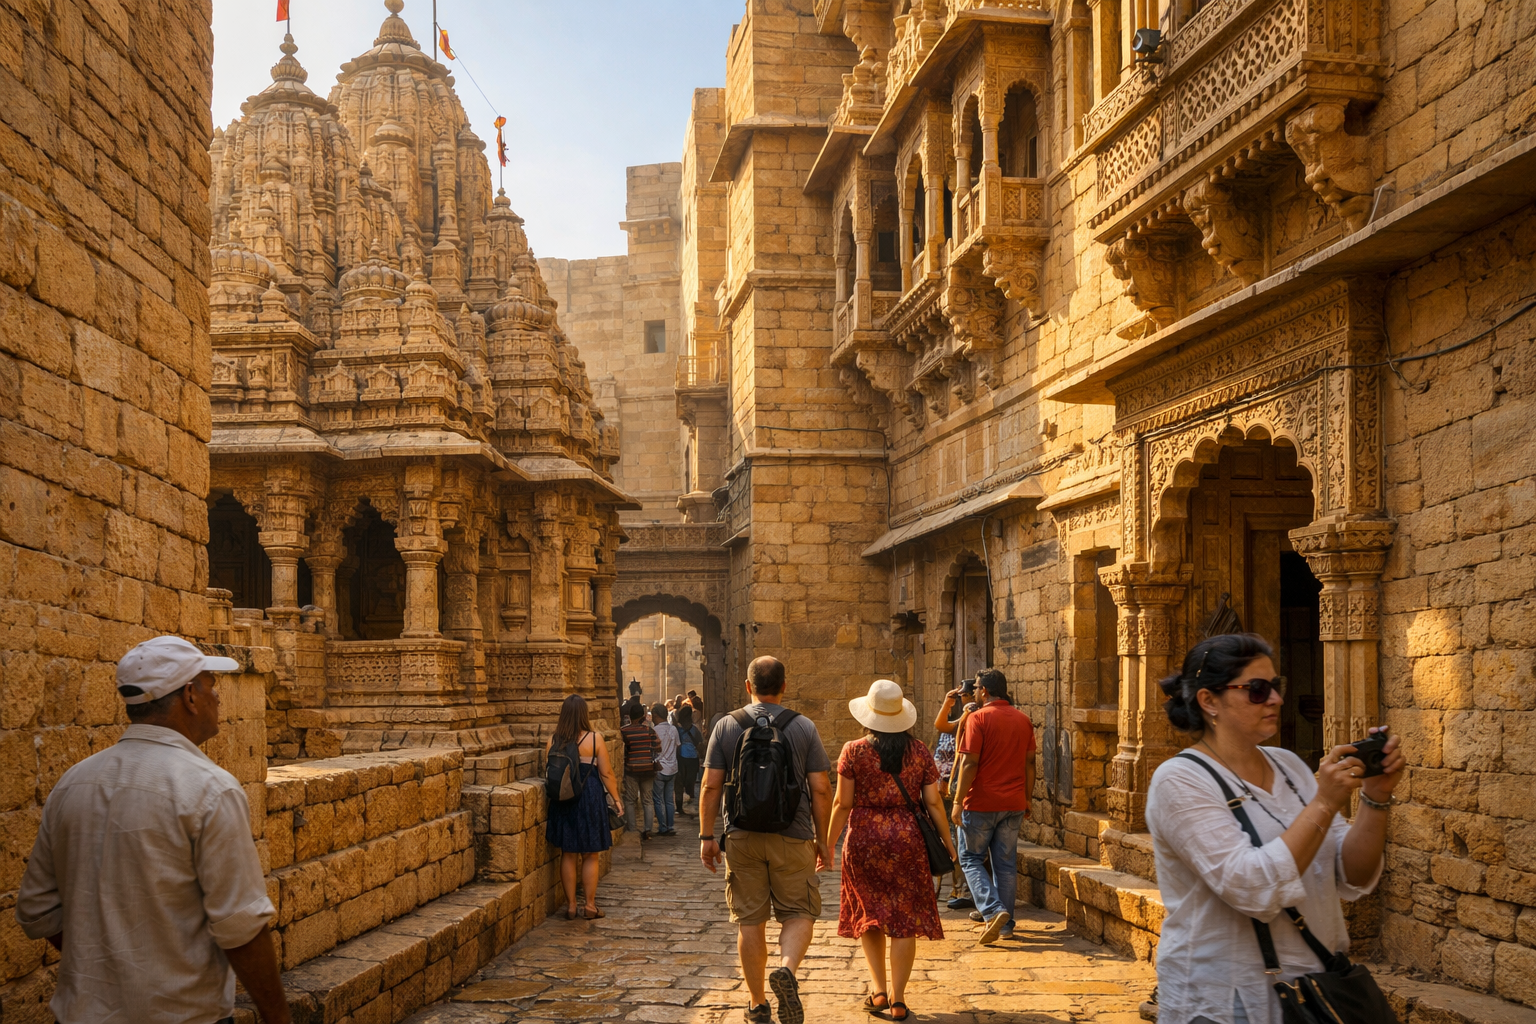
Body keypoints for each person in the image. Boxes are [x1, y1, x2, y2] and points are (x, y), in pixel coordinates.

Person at [15, 635, 291, 1024]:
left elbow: (36, 909)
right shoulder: (210, 789)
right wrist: (278, 1017)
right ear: (190, 696)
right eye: (212, 686)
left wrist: (110, 966)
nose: (218, 698)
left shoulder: (73, 783)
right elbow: (241, 927)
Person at [1146, 633, 1403, 1024]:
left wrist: (1375, 797)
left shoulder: (1289, 766)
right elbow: (1251, 886)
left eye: (1276, 687)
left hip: (1313, 991)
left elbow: (1352, 874)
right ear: (1208, 701)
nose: (1276, 699)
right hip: (1227, 999)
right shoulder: (1179, 781)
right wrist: (1325, 802)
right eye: (1257, 689)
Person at [699, 656, 833, 1024]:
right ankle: (787, 969)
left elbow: (711, 784)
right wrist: (824, 839)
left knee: (750, 920)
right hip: (793, 833)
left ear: (748, 686)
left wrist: (706, 836)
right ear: (784, 686)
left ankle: (757, 1004)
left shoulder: (727, 725)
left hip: (741, 834)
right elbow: (821, 789)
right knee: (799, 912)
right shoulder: (803, 727)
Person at [829, 680, 954, 1022]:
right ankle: (899, 1000)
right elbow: (933, 803)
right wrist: (947, 842)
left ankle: (879, 990)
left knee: (869, 914)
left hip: (863, 839)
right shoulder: (919, 753)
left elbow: (842, 803)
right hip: (907, 839)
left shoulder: (853, 751)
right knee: (903, 920)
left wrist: (826, 844)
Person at [949, 667, 1035, 944]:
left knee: (971, 858)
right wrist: (1028, 797)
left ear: (984, 691)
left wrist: (958, 800)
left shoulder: (979, 718)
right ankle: (1006, 925)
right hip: (1013, 802)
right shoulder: (1023, 720)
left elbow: (969, 762)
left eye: (975, 687)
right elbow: (1030, 762)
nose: (973, 691)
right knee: (1005, 864)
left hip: (981, 802)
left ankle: (992, 910)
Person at [545, 694, 623, 920]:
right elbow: (606, 773)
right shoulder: (595, 738)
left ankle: (570, 905)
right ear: (584, 714)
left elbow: (550, 771)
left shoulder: (553, 740)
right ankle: (589, 905)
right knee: (590, 854)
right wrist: (616, 800)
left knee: (568, 852)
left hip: (564, 798)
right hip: (589, 795)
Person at [932, 679, 977, 910]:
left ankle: (961, 889)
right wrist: (946, 703)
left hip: (957, 787)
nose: (962, 700)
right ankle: (955, 887)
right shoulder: (960, 719)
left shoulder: (971, 715)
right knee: (948, 837)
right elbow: (941, 725)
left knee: (959, 839)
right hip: (945, 786)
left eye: (964, 695)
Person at [620, 701, 661, 839]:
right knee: (647, 800)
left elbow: (623, 751)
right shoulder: (649, 730)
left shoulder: (624, 731)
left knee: (630, 799)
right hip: (648, 769)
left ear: (630, 716)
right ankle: (648, 829)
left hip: (632, 769)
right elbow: (658, 747)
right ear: (642, 716)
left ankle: (632, 828)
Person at [651, 701, 681, 837]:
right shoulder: (673, 729)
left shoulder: (654, 731)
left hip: (660, 768)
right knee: (669, 799)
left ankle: (662, 827)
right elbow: (677, 745)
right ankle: (670, 825)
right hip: (672, 768)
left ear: (656, 715)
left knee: (658, 799)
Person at [675, 704, 704, 816]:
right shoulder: (694, 730)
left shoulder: (677, 729)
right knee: (690, 781)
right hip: (692, 758)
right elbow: (699, 743)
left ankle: (680, 807)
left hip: (680, 758)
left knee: (679, 782)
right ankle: (690, 801)